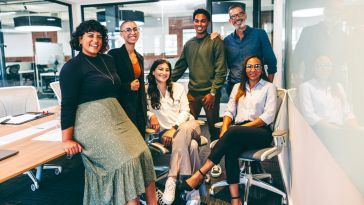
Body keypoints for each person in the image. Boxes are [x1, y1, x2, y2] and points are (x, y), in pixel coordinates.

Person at [60, 20, 157, 205]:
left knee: (144, 153)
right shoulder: (72, 66)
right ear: (80, 39)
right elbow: (68, 104)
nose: (95, 40)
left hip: (116, 116)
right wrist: (66, 139)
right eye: (90, 36)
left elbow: (115, 86)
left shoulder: (108, 60)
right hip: (90, 121)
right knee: (126, 161)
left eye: (99, 36)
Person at [179, 55, 277, 205]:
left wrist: (236, 129)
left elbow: (268, 116)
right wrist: (225, 128)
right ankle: (235, 199)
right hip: (238, 132)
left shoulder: (269, 87)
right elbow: (229, 111)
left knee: (233, 133)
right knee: (231, 150)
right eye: (249, 66)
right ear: (245, 69)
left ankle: (201, 173)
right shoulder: (238, 87)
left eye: (256, 66)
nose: (253, 70)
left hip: (260, 131)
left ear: (261, 68)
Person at [171, 8, 227, 178]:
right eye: (197, 20)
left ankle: (214, 165)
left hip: (210, 94)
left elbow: (221, 69)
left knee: (213, 130)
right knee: (188, 128)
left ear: (207, 23)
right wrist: (163, 81)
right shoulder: (189, 44)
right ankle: (190, 165)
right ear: (193, 22)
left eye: (203, 21)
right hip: (193, 94)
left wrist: (213, 92)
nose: (200, 24)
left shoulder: (215, 41)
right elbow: (179, 68)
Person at [146, 59, 205, 205]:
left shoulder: (178, 87)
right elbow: (142, 110)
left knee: (185, 131)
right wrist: (151, 115)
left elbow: (186, 110)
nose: (164, 72)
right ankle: (193, 192)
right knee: (192, 146)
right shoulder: (146, 90)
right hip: (165, 133)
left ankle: (172, 178)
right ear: (153, 72)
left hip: (188, 126)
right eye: (160, 69)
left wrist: (174, 128)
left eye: (167, 70)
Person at [224, 4, 277, 95]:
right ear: (230, 20)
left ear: (245, 15)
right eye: (233, 16)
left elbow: (271, 61)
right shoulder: (227, 41)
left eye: (240, 14)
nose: (237, 18)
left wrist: (268, 85)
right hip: (234, 87)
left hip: (257, 86)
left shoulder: (259, 34)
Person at [108, 20, 147, 136]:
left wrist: (145, 110)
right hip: (122, 106)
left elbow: (140, 86)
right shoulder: (114, 54)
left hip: (138, 107)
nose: (133, 32)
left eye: (135, 29)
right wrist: (128, 86)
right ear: (121, 34)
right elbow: (110, 82)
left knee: (140, 139)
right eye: (128, 30)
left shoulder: (139, 57)